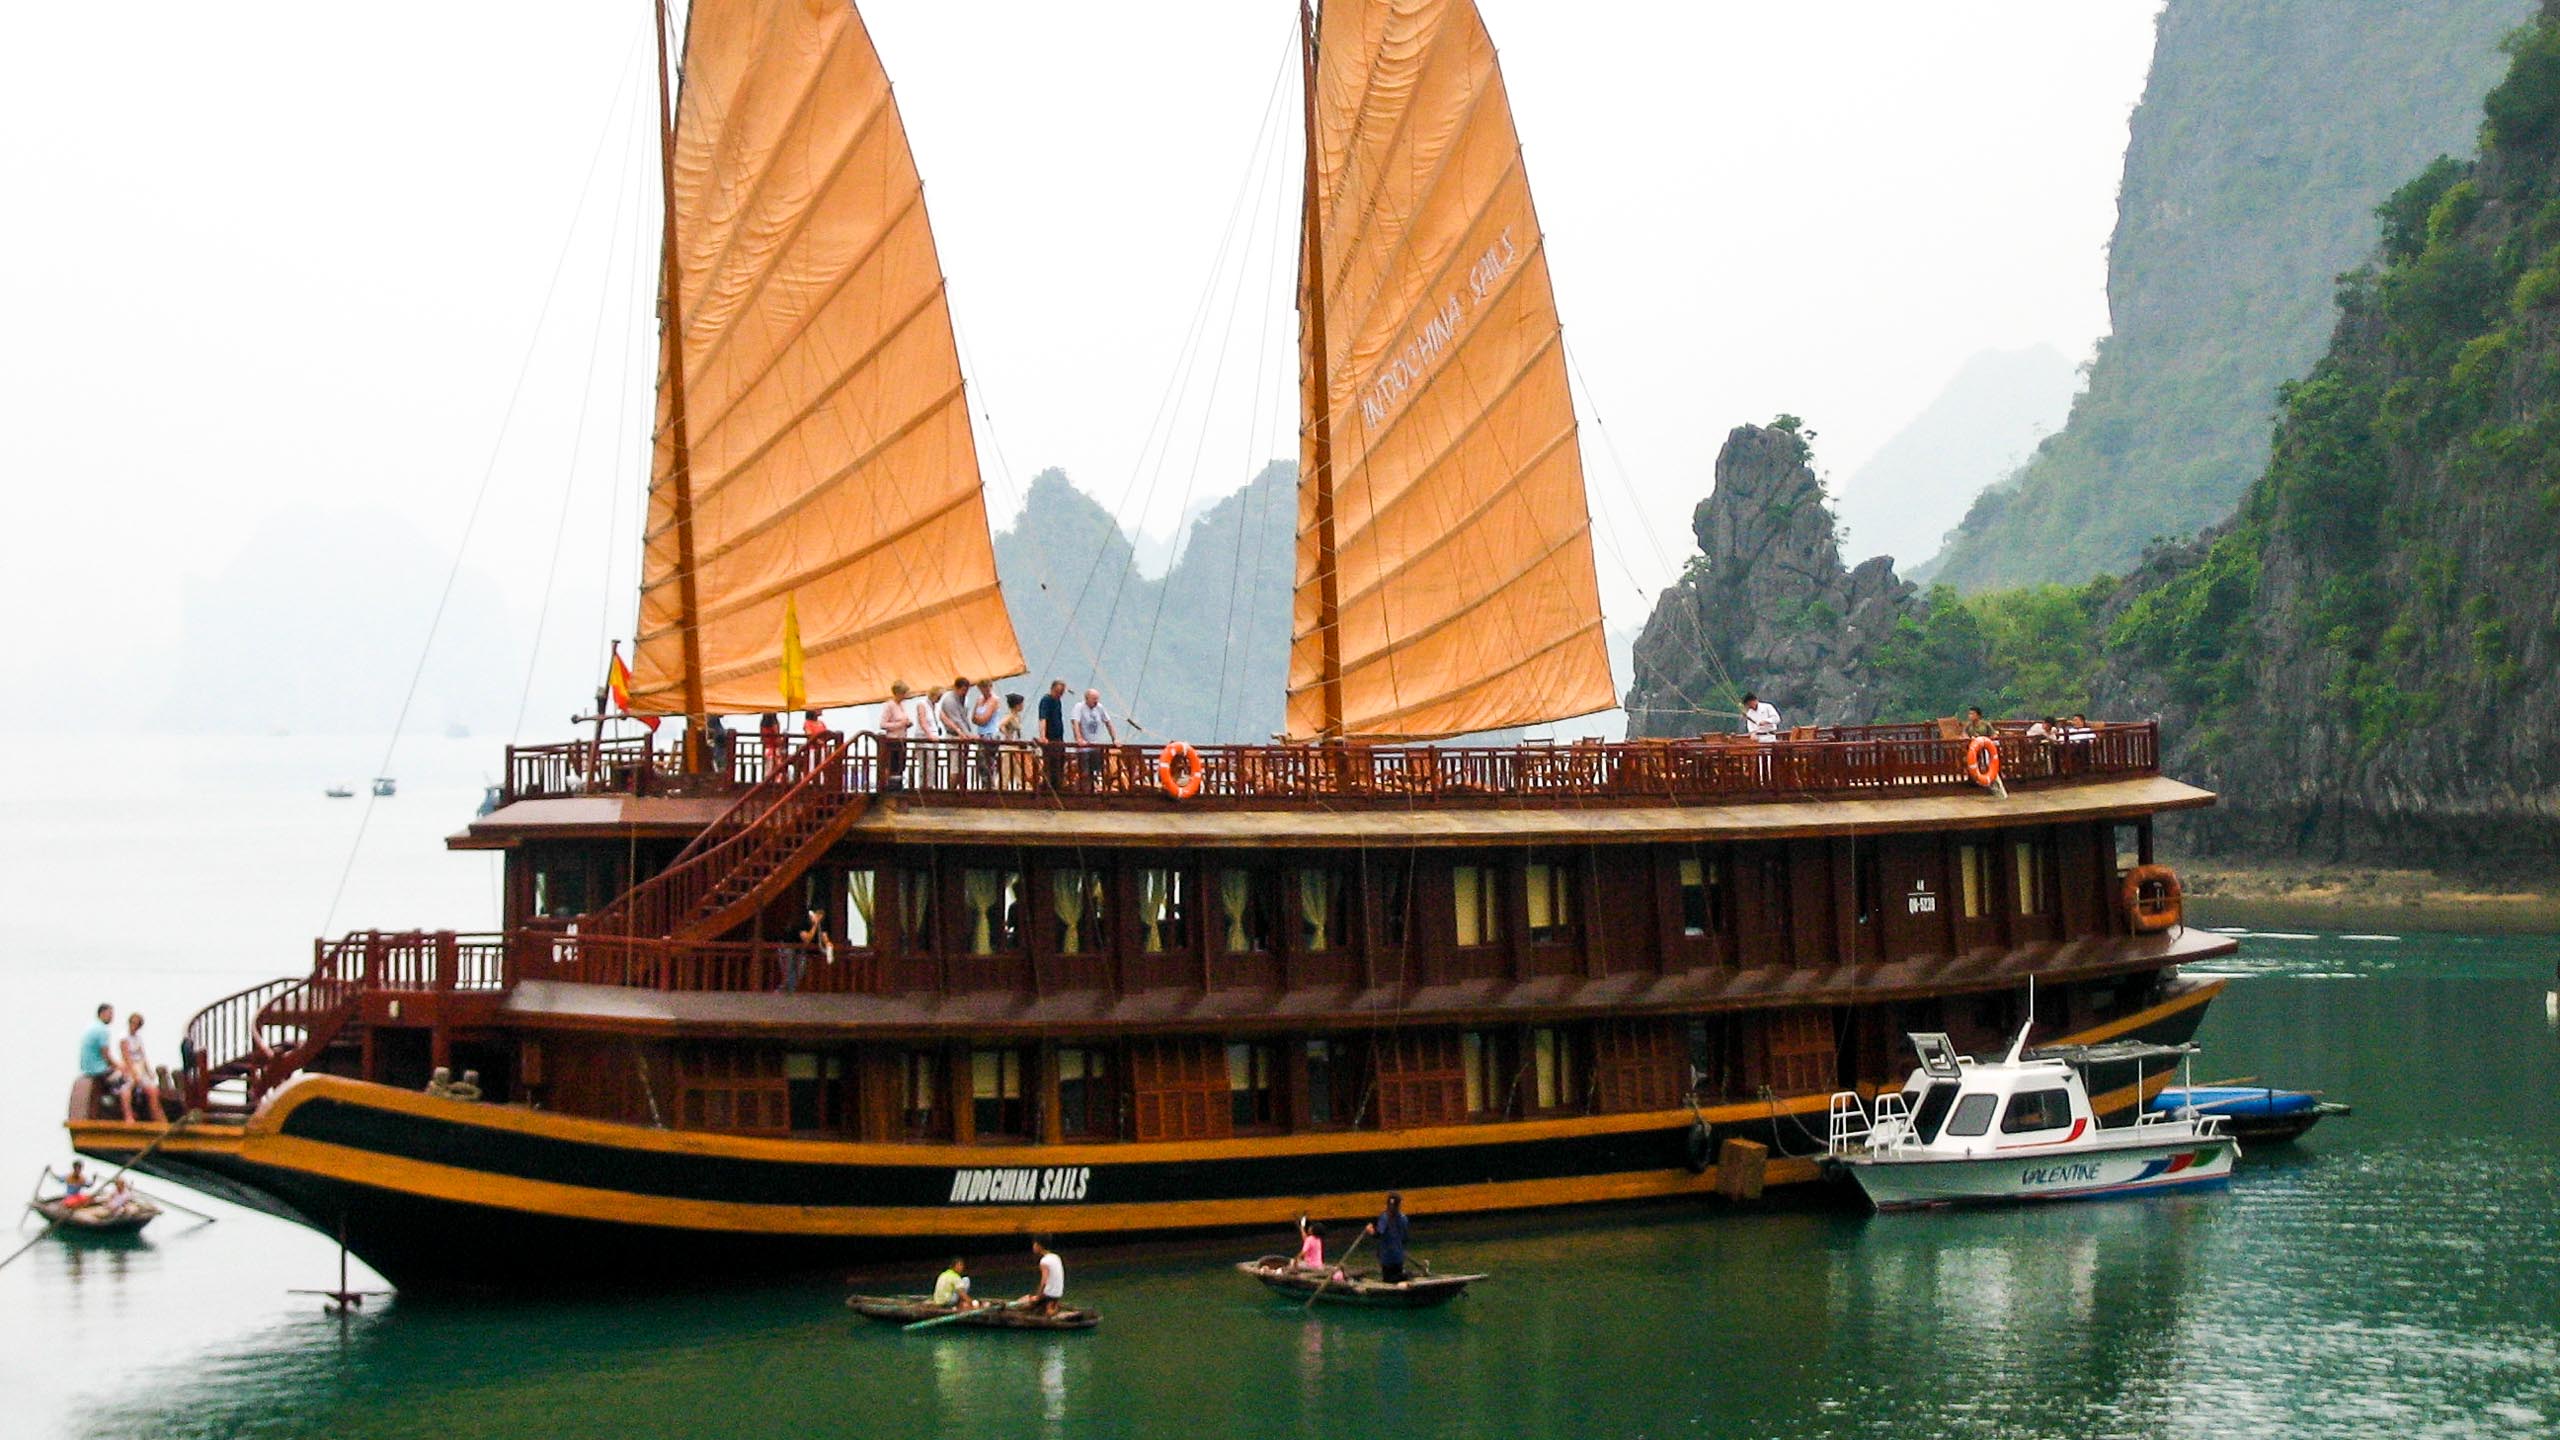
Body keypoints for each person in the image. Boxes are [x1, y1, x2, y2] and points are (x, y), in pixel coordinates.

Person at [78, 1003, 125, 1119]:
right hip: (98, 1069)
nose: (112, 1017)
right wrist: (119, 1066)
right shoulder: (103, 1030)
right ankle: (124, 1112)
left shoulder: (92, 1027)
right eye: (110, 1014)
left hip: (87, 1068)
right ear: (102, 1014)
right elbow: (106, 1055)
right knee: (125, 1080)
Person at [118, 1012, 165, 1123]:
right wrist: (133, 1073)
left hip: (140, 1066)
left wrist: (149, 1071)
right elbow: (126, 1056)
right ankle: (128, 1116)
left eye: (137, 1024)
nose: (135, 1026)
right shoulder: (123, 1037)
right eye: (133, 1023)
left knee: (153, 1090)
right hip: (129, 1067)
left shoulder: (138, 1038)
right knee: (127, 1088)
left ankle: (156, 1115)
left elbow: (142, 1056)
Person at [1068, 688, 1117, 787]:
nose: (1096, 701)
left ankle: (1095, 789)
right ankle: (1085, 791)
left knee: (1097, 771)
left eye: (1097, 699)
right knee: (1085, 772)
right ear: (1087, 698)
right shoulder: (1079, 707)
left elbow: (1108, 723)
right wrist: (1079, 738)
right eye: (1094, 699)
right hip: (1084, 748)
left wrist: (1114, 738)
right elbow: (1075, 723)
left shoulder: (1100, 707)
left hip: (1095, 746)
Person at [878, 682, 918, 793]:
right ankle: (891, 787)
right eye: (904, 693)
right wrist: (899, 725)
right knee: (893, 764)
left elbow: (904, 719)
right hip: (893, 740)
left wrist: (908, 723)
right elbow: (882, 724)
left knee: (901, 763)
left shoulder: (902, 705)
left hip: (902, 738)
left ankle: (898, 785)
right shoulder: (889, 705)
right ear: (898, 693)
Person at [1364, 1193, 1412, 1285]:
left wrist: (1370, 1230)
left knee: (1388, 1280)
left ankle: (1406, 1275)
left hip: (1387, 1256)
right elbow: (1405, 1238)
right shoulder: (1404, 1218)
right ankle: (1404, 1276)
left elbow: (1378, 1234)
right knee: (1398, 1278)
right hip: (1398, 1255)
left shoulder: (1385, 1217)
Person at [782, 907, 831, 993]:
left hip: (801, 948)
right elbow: (807, 938)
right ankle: (789, 990)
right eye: (817, 915)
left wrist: (828, 943)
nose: (819, 918)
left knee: (801, 969)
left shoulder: (821, 923)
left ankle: (792, 989)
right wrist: (815, 925)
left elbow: (824, 935)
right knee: (789, 968)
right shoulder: (804, 922)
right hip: (789, 945)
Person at [1019, 1235, 1067, 1316]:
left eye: (1034, 1244)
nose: (1033, 1247)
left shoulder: (1044, 1261)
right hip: (1058, 1293)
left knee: (1022, 1302)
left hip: (1048, 1294)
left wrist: (1038, 1296)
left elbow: (1044, 1282)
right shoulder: (1056, 1257)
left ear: (1039, 1246)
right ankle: (1052, 1306)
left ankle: (1051, 1309)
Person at [1037, 679, 1068, 790]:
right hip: (1050, 738)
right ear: (1052, 689)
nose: (1059, 695)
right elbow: (1043, 718)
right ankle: (1048, 788)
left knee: (1059, 764)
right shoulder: (1046, 700)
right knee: (1050, 765)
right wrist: (1043, 736)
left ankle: (1058, 786)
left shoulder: (1058, 701)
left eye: (1061, 693)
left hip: (1059, 738)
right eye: (1058, 692)